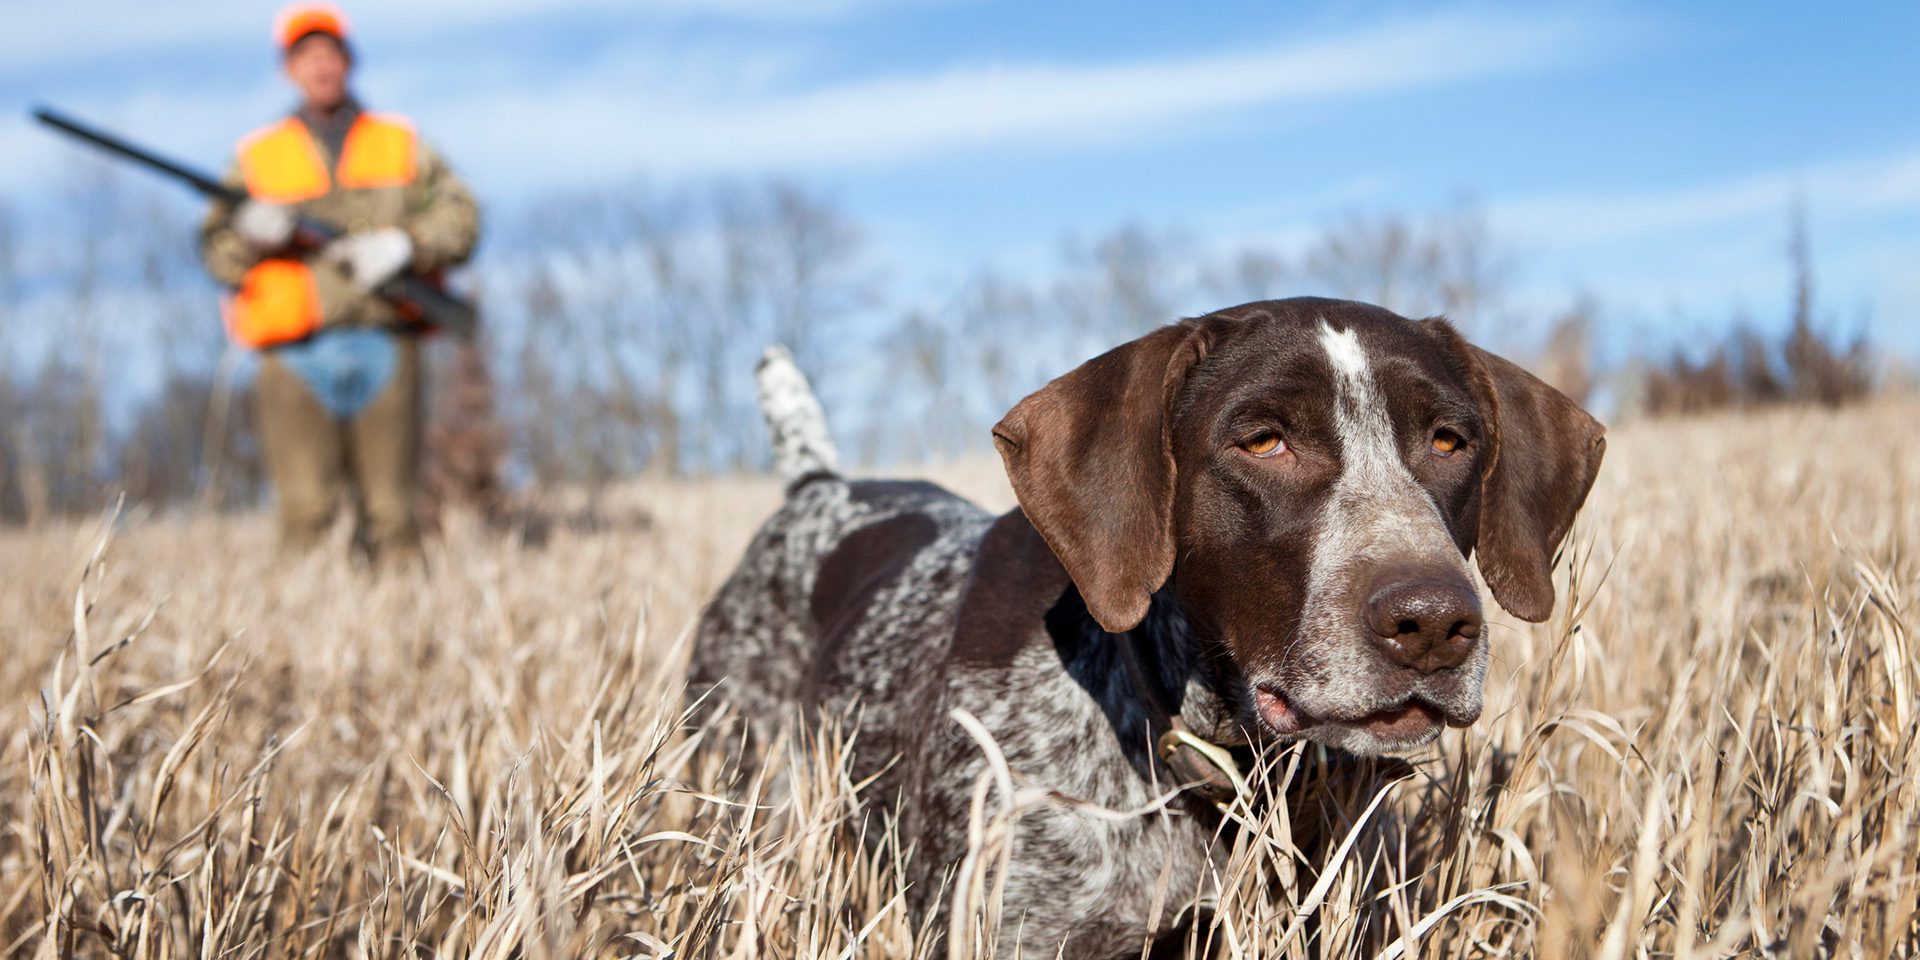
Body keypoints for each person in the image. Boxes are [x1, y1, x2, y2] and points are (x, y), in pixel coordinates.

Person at [200, 3, 479, 563]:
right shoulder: (258, 155)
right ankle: (293, 643)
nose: (320, 66)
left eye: (330, 53)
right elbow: (217, 254)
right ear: (288, 69)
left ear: (349, 61)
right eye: (306, 55)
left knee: (395, 518)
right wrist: (250, 233)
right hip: (294, 354)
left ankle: (406, 633)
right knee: (304, 517)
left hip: (387, 340)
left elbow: (463, 220)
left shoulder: (402, 141)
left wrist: (404, 245)